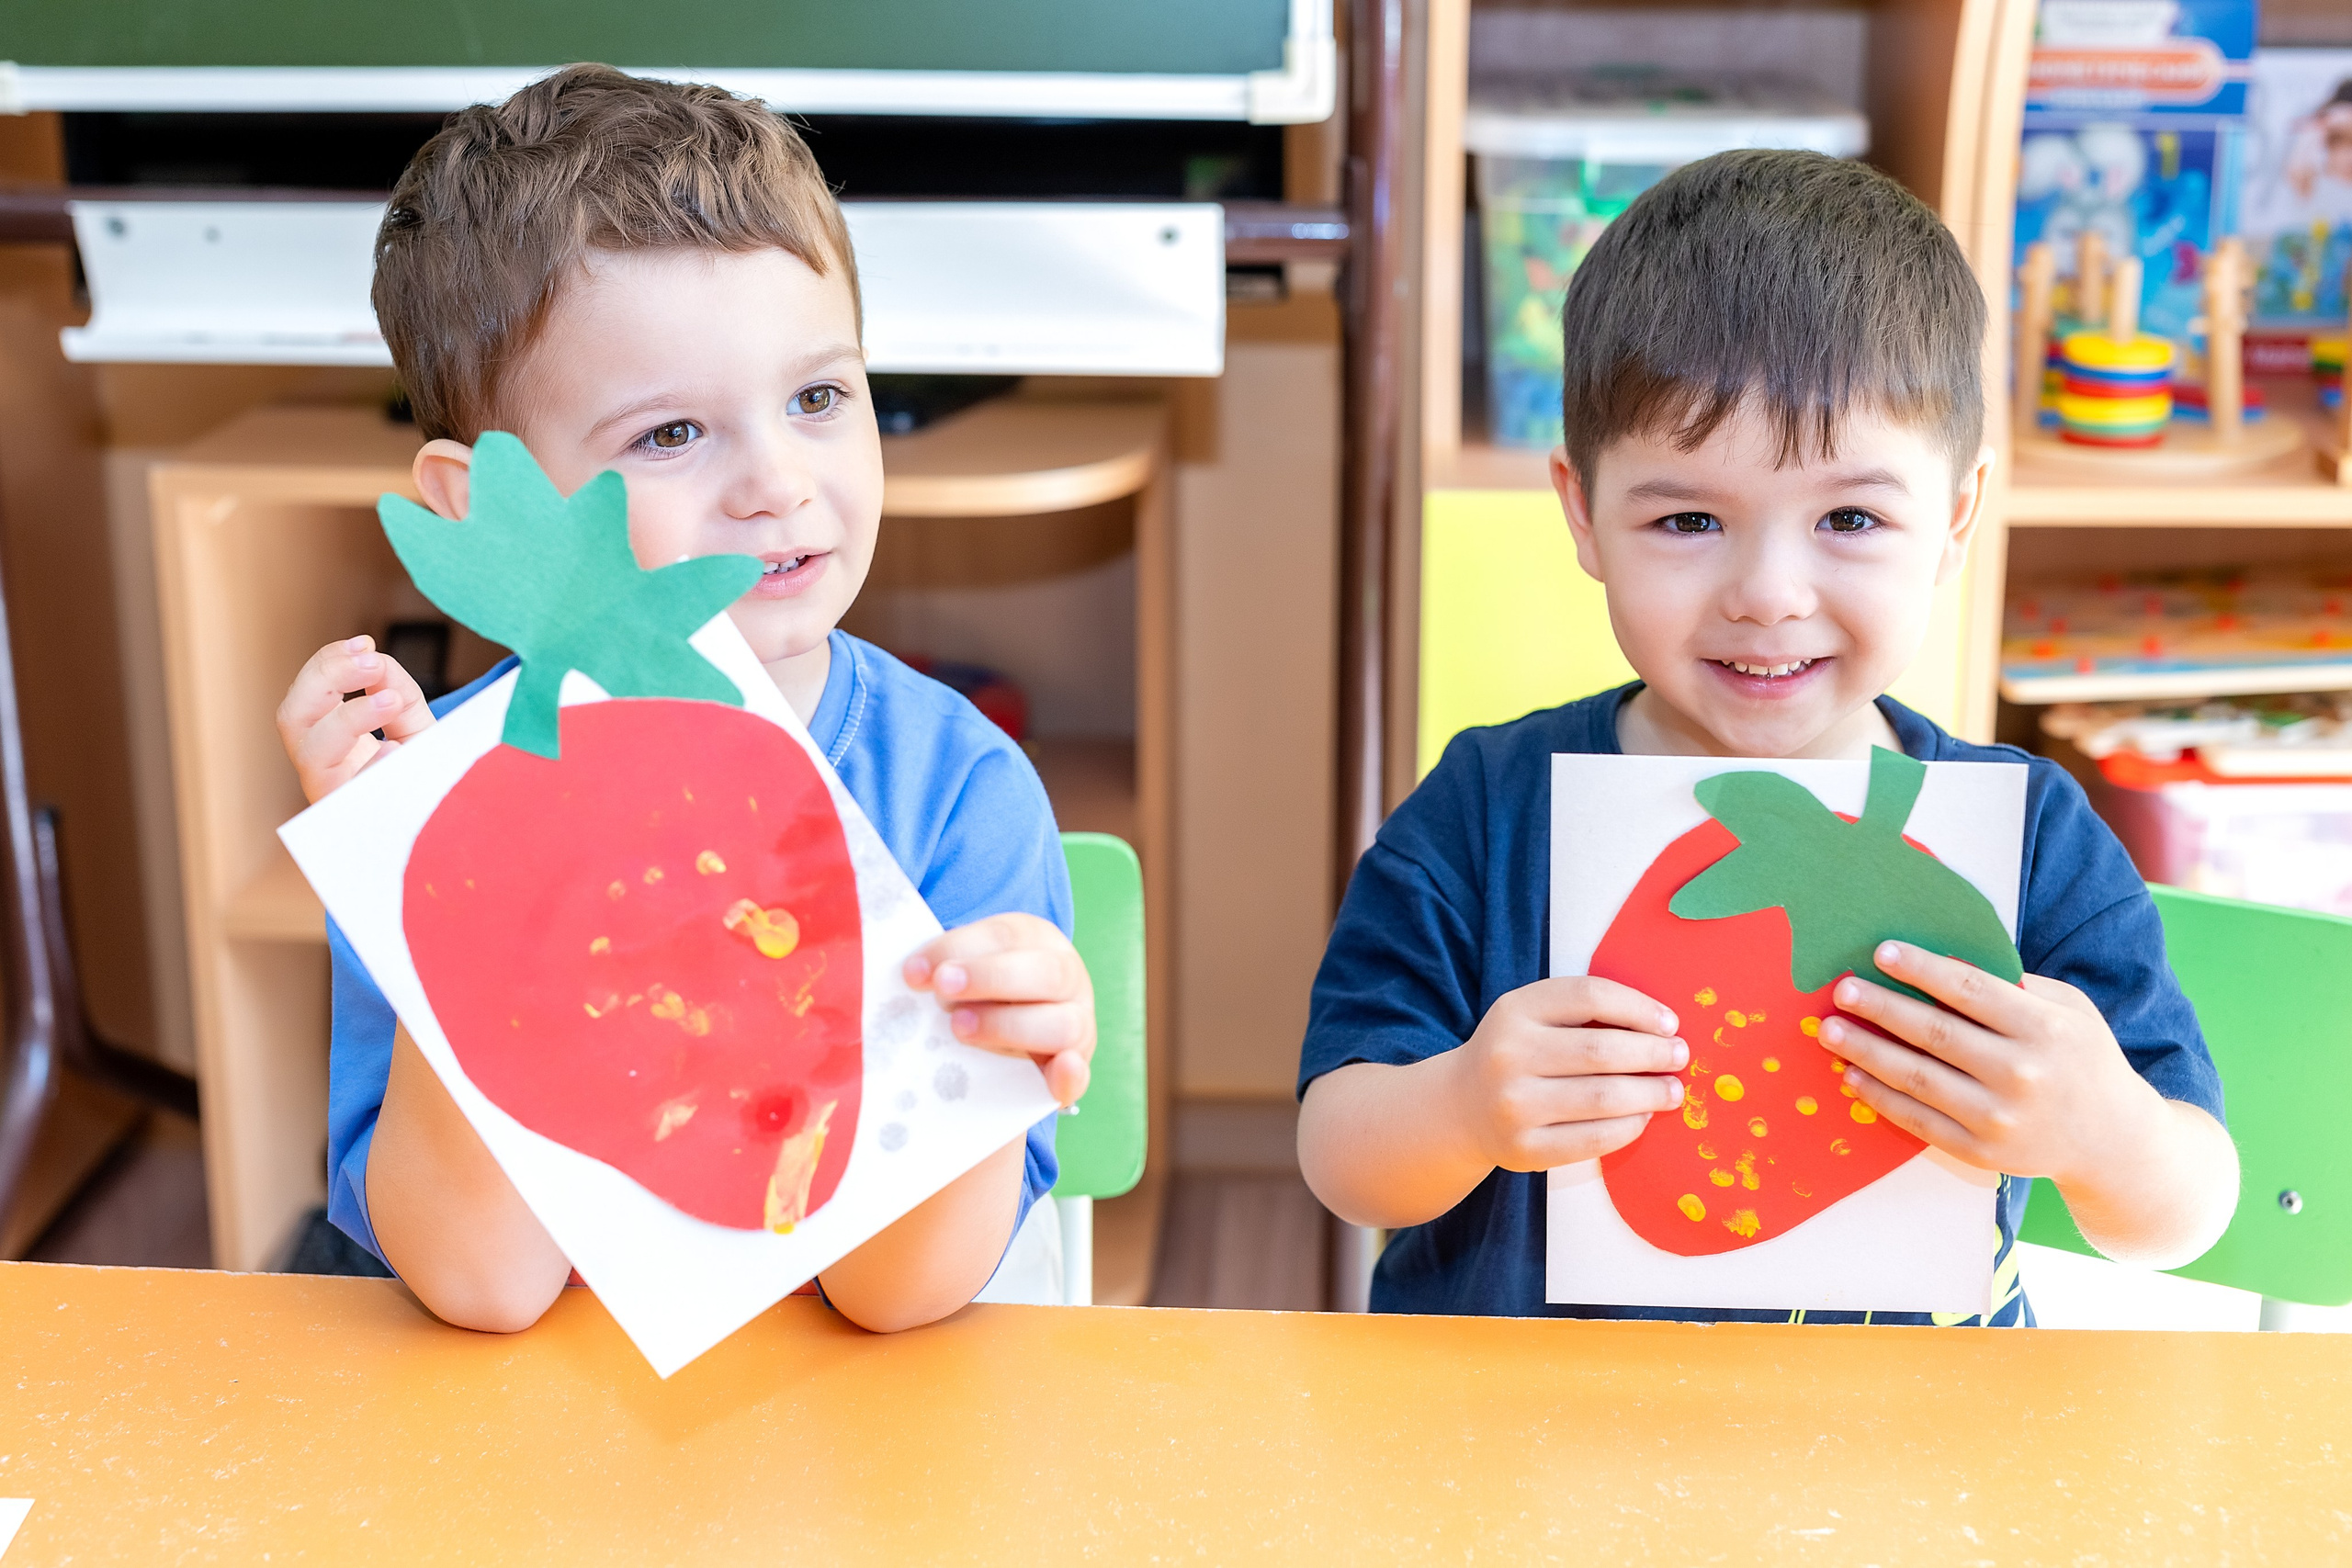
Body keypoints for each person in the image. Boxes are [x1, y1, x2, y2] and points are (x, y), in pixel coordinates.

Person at [1296, 150, 2237, 1324]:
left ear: (1953, 520)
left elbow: (2187, 1208)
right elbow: (1340, 1155)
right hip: (1528, 1454)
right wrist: (1462, 1110)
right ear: (1583, 513)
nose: (1768, 593)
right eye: (1689, 518)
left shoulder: (2030, 835)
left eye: (1849, 517)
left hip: (1903, 1461)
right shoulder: (1490, 804)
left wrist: (2102, 1135)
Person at [274, 66, 1093, 1336]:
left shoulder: (961, 792)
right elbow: (484, 1285)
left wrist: (983, 1067)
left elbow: (894, 1300)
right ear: (488, 507)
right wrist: (434, 897)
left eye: (818, 397)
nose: (777, 480)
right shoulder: (439, 804)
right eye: (671, 435)